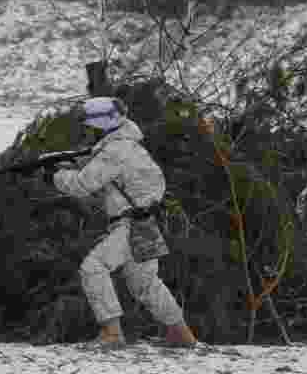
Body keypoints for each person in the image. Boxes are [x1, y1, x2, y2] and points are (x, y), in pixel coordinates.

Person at [51, 97, 198, 349]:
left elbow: (82, 185)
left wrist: (56, 175)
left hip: (129, 225)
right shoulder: (131, 146)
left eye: (88, 126)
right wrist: (80, 164)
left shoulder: (114, 150)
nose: (87, 131)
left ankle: (111, 333)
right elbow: (113, 180)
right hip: (147, 222)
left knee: (93, 267)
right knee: (145, 284)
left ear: (100, 124)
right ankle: (181, 334)